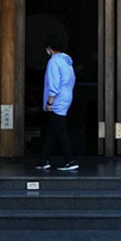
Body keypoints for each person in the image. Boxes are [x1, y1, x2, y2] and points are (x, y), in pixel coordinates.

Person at [38, 38, 78, 172]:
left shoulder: (54, 61)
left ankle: (70, 160)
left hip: (58, 100)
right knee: (52, 131)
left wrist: (50, 101)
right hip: (66, 97)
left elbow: (54, 83)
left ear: (50, 48)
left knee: (60, 131)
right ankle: (44, 160)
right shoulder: (67, 62)